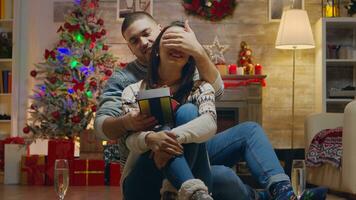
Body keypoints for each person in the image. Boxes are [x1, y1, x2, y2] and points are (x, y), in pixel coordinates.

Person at [95, 12, 327, 200]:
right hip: (147, 163)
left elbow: (216, 93)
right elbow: (101, 126)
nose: (143, 43)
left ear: (159, 29)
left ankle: (282, 192)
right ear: (130, 47)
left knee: (249, 131)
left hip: (186, 147)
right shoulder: (126, 81)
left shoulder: (187, 65)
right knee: (223, 175)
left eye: (146, 34)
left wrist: (197, 50)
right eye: (134, 41)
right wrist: (129, 123)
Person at [121, 21, 218, 200]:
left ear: (191, 55)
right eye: (170, 39)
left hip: (197, 175)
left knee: (188, 111)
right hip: (144, 181)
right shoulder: (134, 91)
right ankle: (194, 192)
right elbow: (129, 139)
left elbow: (210, 123)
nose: (177, 45)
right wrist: (151, 139)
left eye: (183, 41)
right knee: (173, 122)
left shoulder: (201, 88)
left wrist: (165, 140)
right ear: (157, 49)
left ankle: (179, 189)